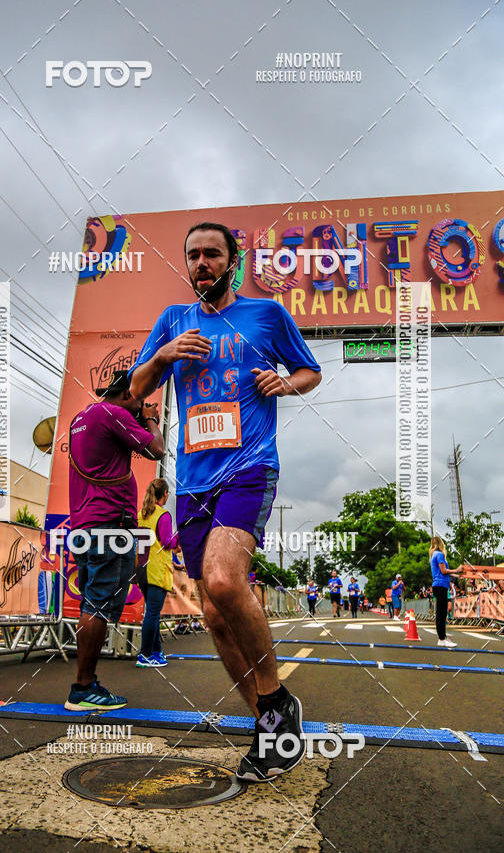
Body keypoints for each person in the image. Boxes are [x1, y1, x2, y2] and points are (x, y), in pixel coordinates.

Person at [129, 221, 322, 782]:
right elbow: (137, 388)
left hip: (249, 468)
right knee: (214, 613)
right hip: (191, 483)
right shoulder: (173, 321)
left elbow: (310, 371)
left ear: (232, 262)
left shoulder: (267, 315)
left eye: (213, 254)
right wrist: (163, 355)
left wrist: (284, 384)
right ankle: (269, 723)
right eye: (193, 256)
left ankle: (279, 702)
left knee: (221, 579)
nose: (201, 263)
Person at [64, 370, 164, 711]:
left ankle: (85, 684)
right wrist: (150, 420)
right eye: (139, 397)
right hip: (108, 526)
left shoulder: (82, 417)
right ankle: (83, 688)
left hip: (84, 525)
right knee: (97, 606)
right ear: (126, 394)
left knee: (90, 603)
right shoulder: (114, 414)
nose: (142, 405)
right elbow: (157, 450)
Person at [136, 477, 180, 668]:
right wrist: (181, 535)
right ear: (164, 494)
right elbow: (168, 543)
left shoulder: (141, 514)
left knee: (152, 613)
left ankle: (156, 653)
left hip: (141, 568)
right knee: (152, 614)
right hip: (157, 569)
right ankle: (145, 655)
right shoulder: (163, 515)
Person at [430, 536, 462, 647]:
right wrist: (456, 570)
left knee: (442, 613)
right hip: (440, 585)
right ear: (441, 543)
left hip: (440, 585)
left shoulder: (434, 554)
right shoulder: (439, 554)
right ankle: (441, 639)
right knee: (441, 613)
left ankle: (443, 637)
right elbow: (444, 571)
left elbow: (444, 571)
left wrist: (456, 575)